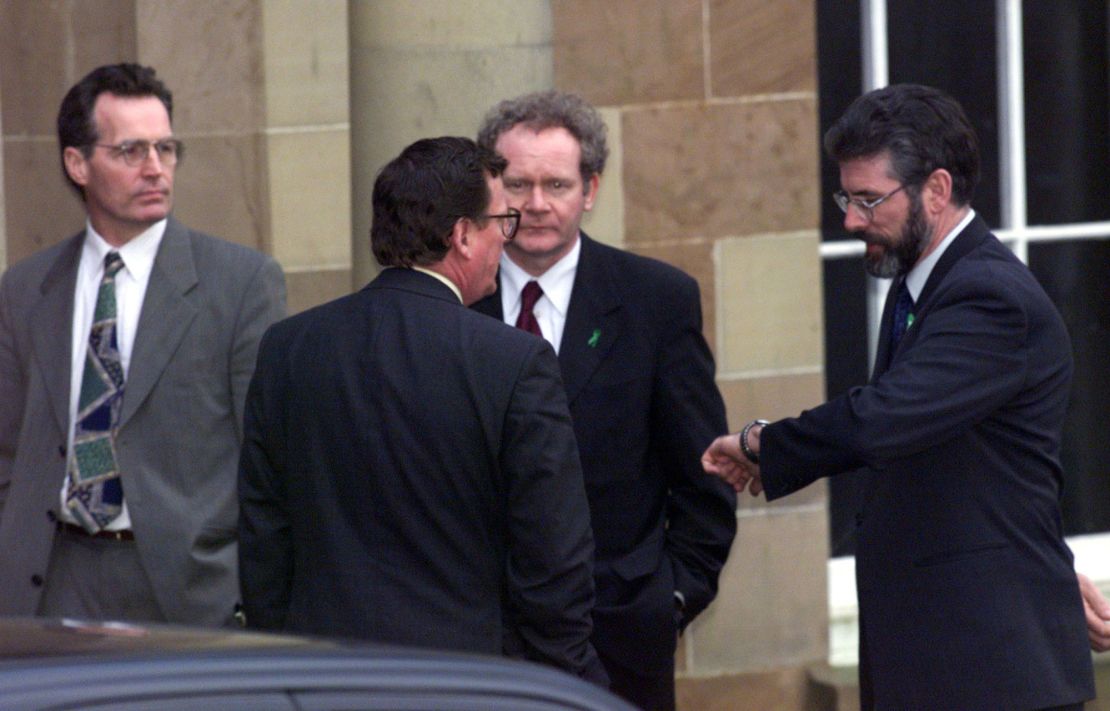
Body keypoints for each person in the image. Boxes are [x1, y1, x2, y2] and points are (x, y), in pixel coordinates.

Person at [701, 84, 1095, 710]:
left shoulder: (987, 298)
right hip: (944, 663)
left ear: (936, 190)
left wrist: (763, 443)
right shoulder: (922, 287)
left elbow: (878, 422)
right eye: (846, 197)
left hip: (992, 677)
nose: (851, 220)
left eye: (868, 199)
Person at [238, 136, 606, 684]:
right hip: (465, 682)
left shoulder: (289, 347)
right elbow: (553, 560)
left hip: (321, 680)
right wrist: (562, 684)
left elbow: (264, 538)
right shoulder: (514, 362)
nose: (506, 243)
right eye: (500, 223)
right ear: (461, 235)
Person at [473, 91, 735, 711]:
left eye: (557, 184)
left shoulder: (656, 301)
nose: (536, 205)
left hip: (619, 640)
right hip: (475, 644)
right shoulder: (454, 303)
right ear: (490, 189)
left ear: (590, 190)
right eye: (518, 184)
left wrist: (669, 601)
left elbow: (703, 476)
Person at [0, 63, 286, 625]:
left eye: (166, 148)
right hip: (49, 579)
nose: (155, 169)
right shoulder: (25, 288)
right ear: (77, 163)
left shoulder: (240, 282)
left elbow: (269, 456)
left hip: (186, 589)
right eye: (131, 151)